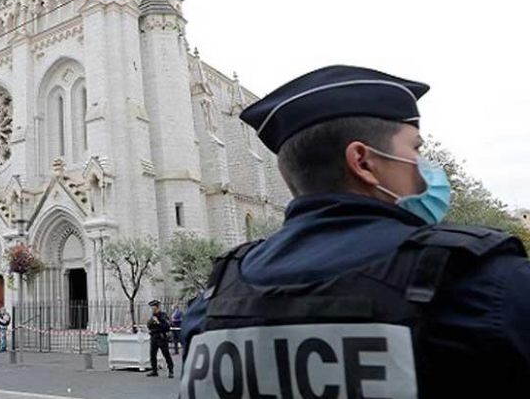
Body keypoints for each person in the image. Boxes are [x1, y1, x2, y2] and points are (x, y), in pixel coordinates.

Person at [180, 65, 530, 399]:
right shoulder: (485, 284)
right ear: (362, 162)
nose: (427, 167)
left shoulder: (211, 305)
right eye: (416, 148)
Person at [146, 299, 174, 378]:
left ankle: (171, 370)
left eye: (153, 307)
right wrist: (150, 323)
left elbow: (167, 327)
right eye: (151, 307)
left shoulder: (163, 315)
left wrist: (158, 322)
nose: (152, 308)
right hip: (154, 337)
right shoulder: (153, 316)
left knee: (166, 354)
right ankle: (154, 370)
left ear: (157, 307)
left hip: (161, 337)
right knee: (152, 354)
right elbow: (149, 326)